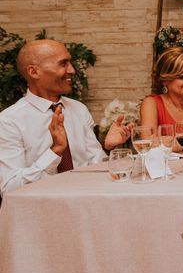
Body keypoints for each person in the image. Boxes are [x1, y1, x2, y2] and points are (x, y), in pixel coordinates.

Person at [0, 39, 132, 196]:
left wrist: (107, 147)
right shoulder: (9, 121)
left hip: (87, 201)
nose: (72, 70)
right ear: (34, 72)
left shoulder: (78, 109)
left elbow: (94, 167)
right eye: (63, 64)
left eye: (70, 63)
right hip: (41, 211)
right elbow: (9, 189)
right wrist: (54, 152)